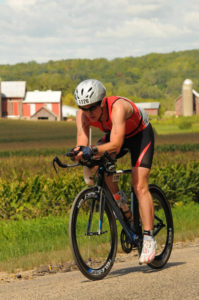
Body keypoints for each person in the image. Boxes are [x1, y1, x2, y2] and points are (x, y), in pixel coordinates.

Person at [72, 79, 156, 264]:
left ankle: (149, 238)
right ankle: (122, 204)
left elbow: (116, 145)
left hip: (140, 136)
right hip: (117, 134)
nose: (88, 113)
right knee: (95, 161)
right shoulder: (83, 115)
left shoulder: (118, 107)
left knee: (139, 185)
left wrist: (91, 150)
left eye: (92, 107)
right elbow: (82, 144)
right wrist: (77, 153)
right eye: (83, 108)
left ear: (102, 102)